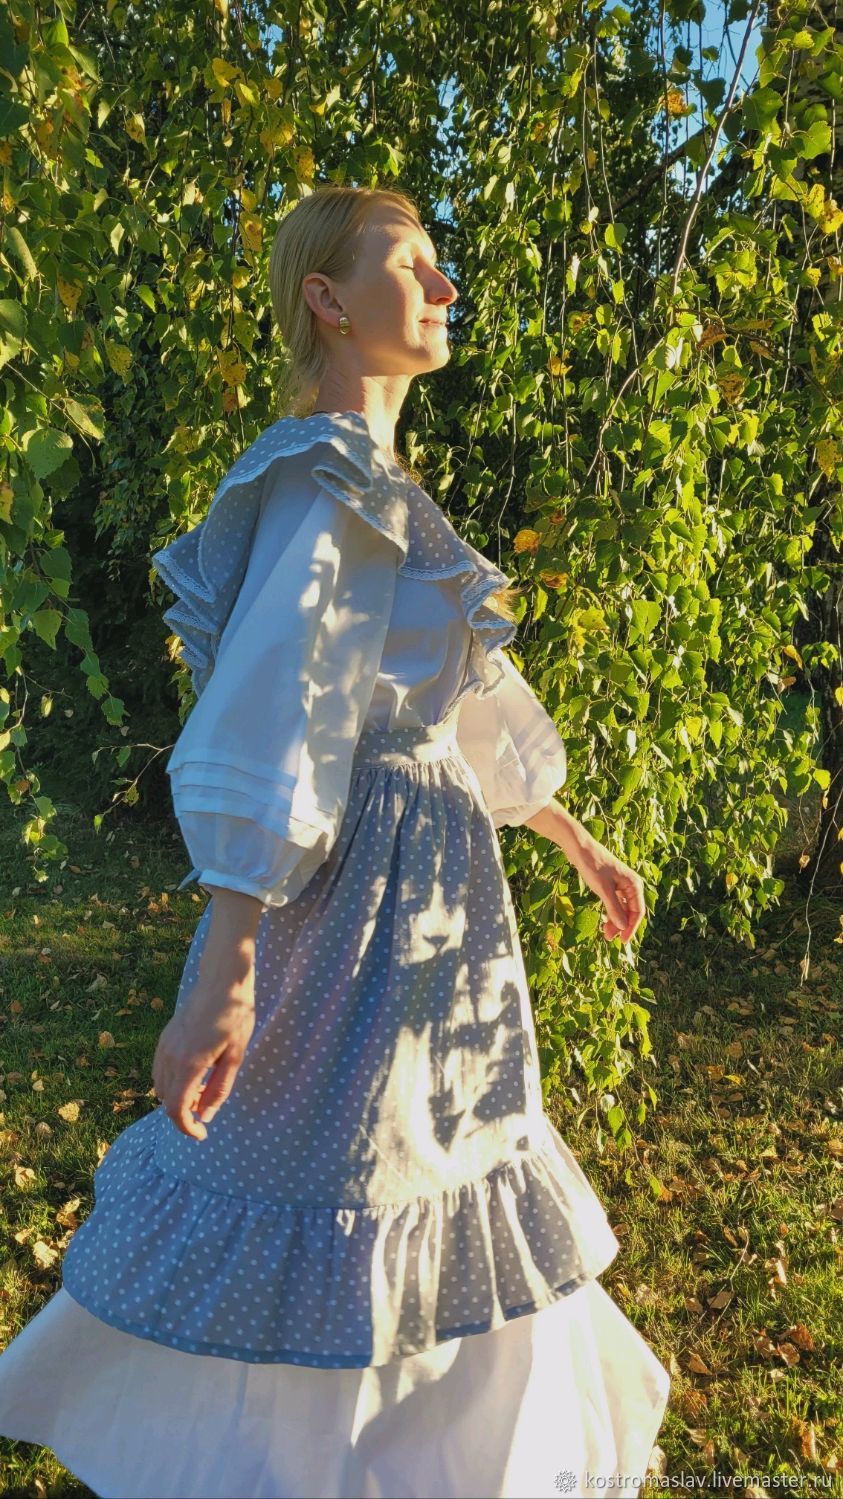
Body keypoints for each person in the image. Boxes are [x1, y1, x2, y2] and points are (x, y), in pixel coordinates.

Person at [0, 183, 670, 1499]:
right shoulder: (325, 474)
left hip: (436, 906)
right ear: (326, 298)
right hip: (354, 901)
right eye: (411, 264)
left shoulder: (383, 483)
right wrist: (228, 959)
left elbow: (448, 710)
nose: (444, 288)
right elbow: (284, 704)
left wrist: (575, 840)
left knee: (434, 1159)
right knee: (336, 1175)